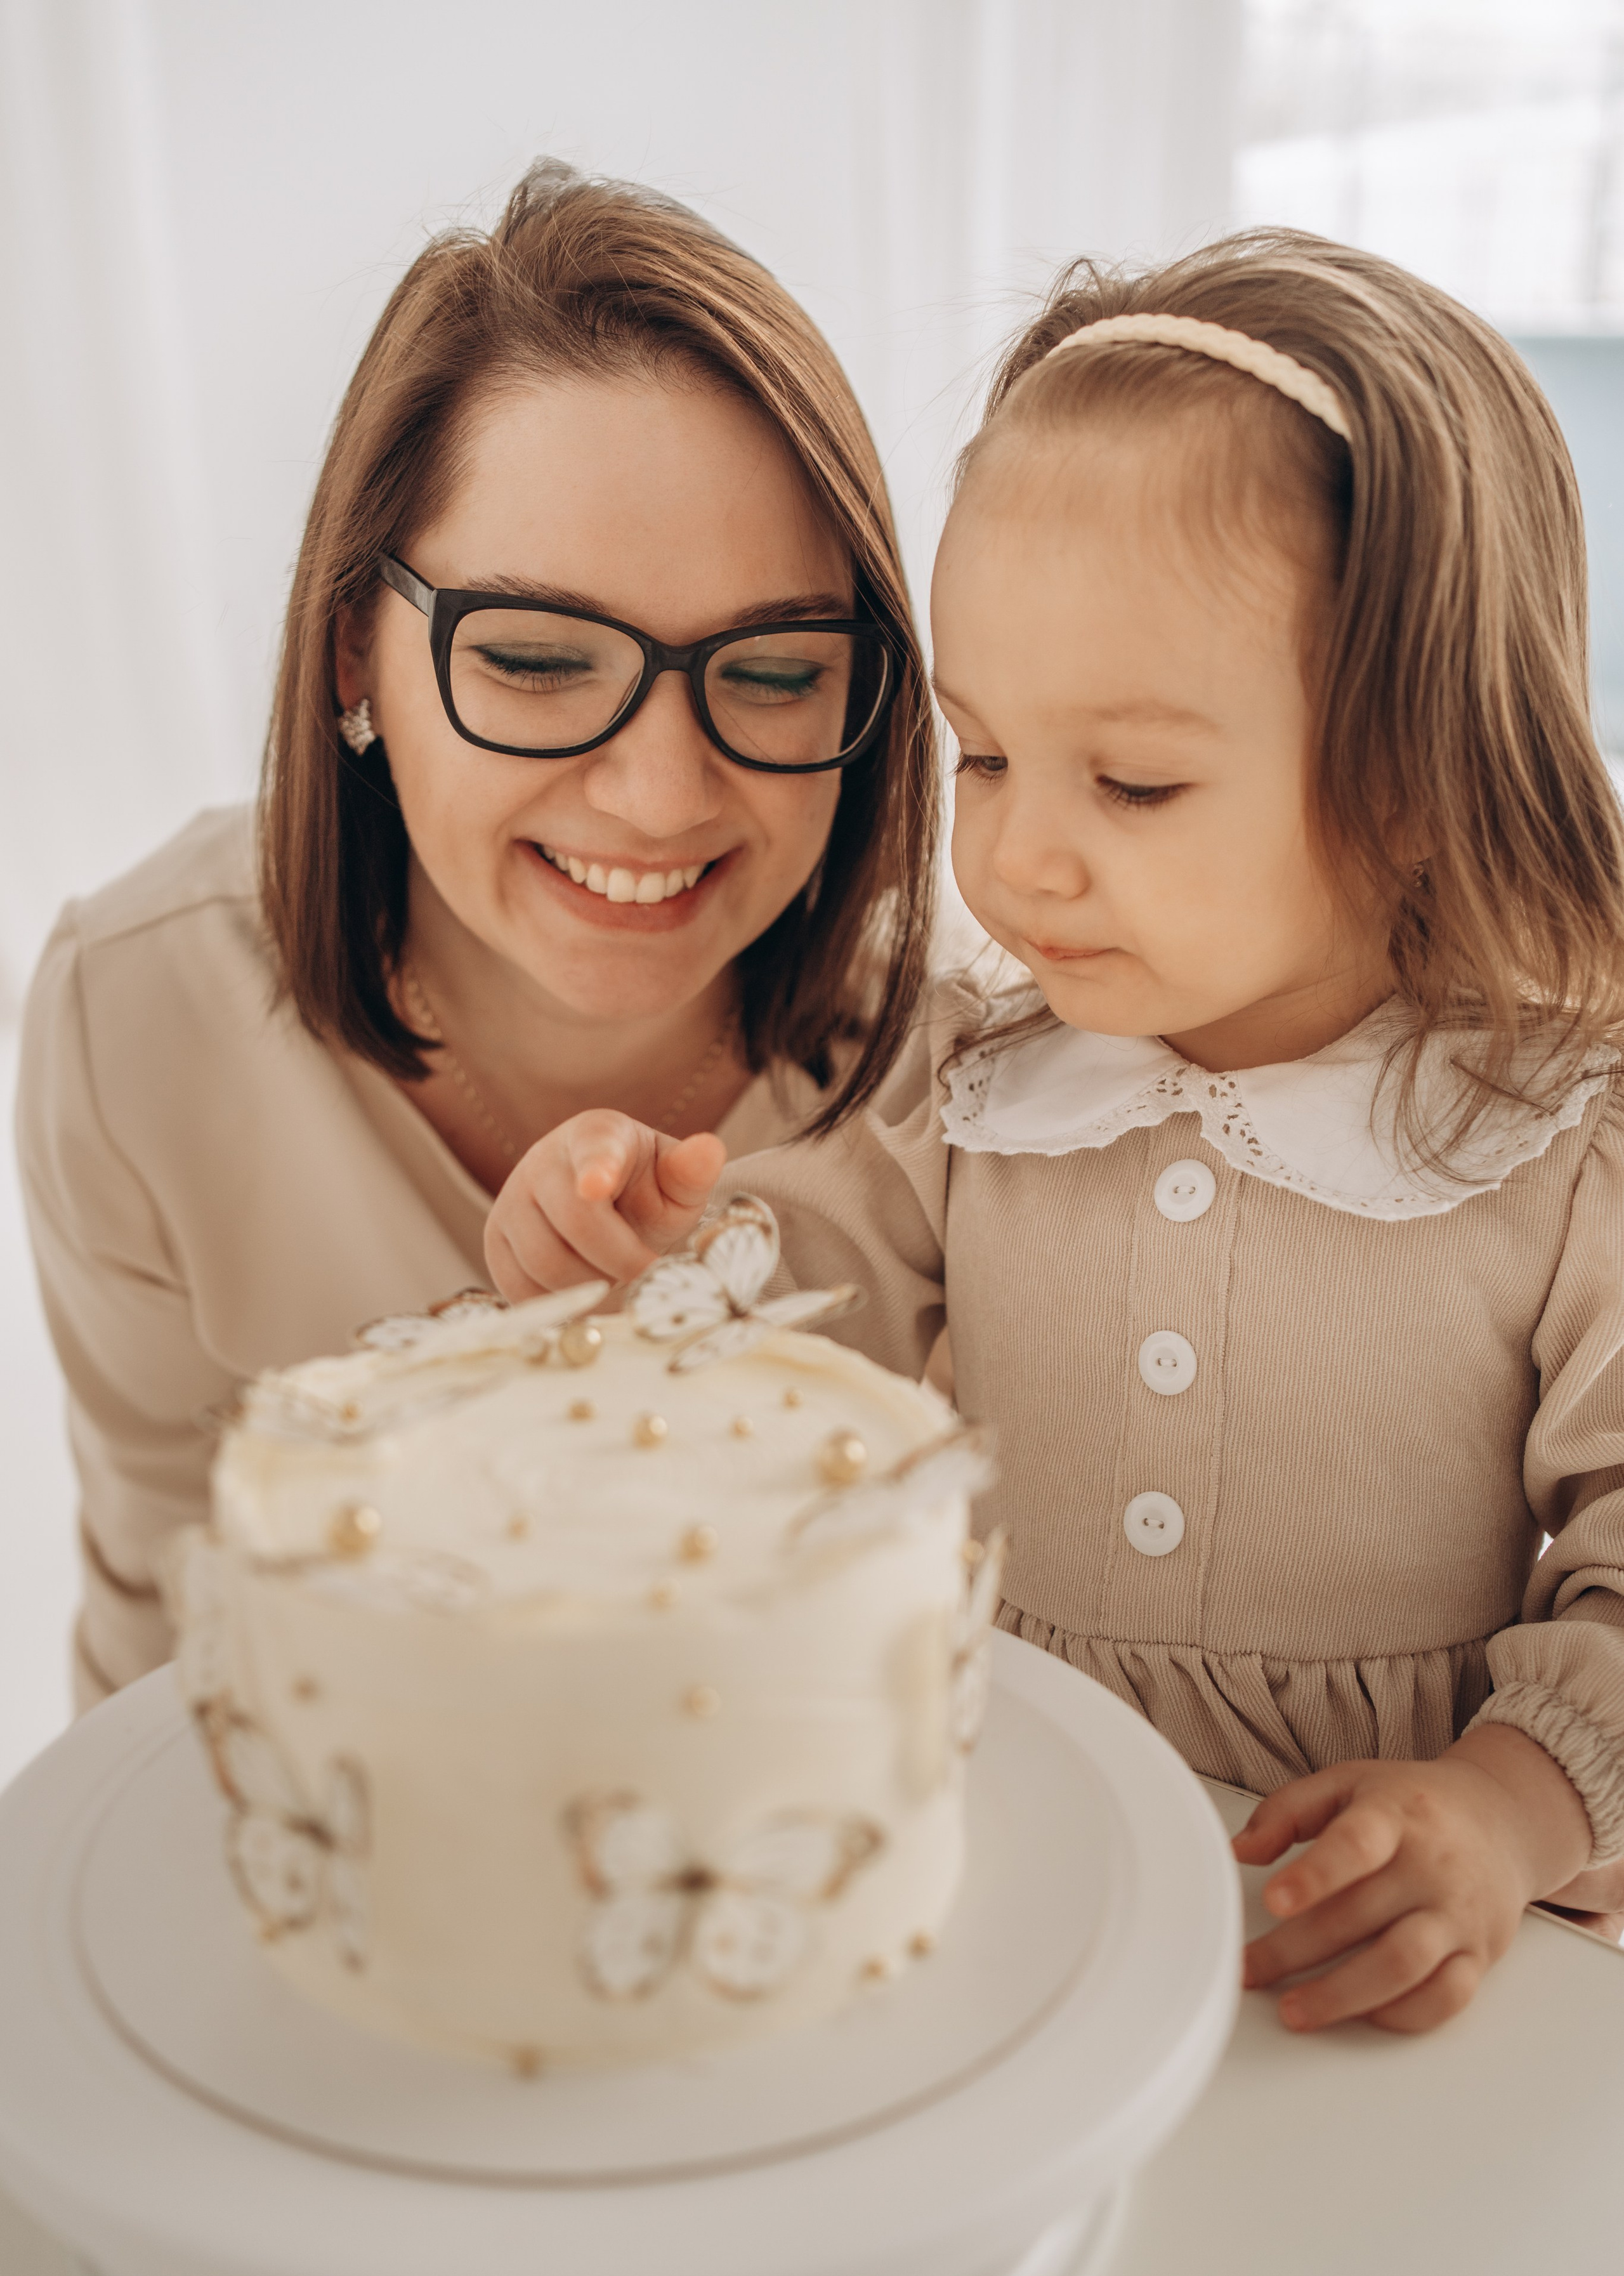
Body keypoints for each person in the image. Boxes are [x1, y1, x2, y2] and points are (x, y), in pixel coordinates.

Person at [485, 230, 1624, 2032]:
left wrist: (1505, 1807)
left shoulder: (1556, 1153)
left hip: (1373, 1949)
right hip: (1008, 1878)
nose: (1014, 859)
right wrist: (637, 1252)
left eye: (1137, 782)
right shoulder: (978, 1083)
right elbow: (789, 1306)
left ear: (1414, 776)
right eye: (987, 754)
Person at [16, 160, 938, 1710]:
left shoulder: (971, 1068)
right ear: (350, 663)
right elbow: (164, 1635)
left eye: (775, 674)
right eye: (530, 658)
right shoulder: (137, 1021)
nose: (657, 795)